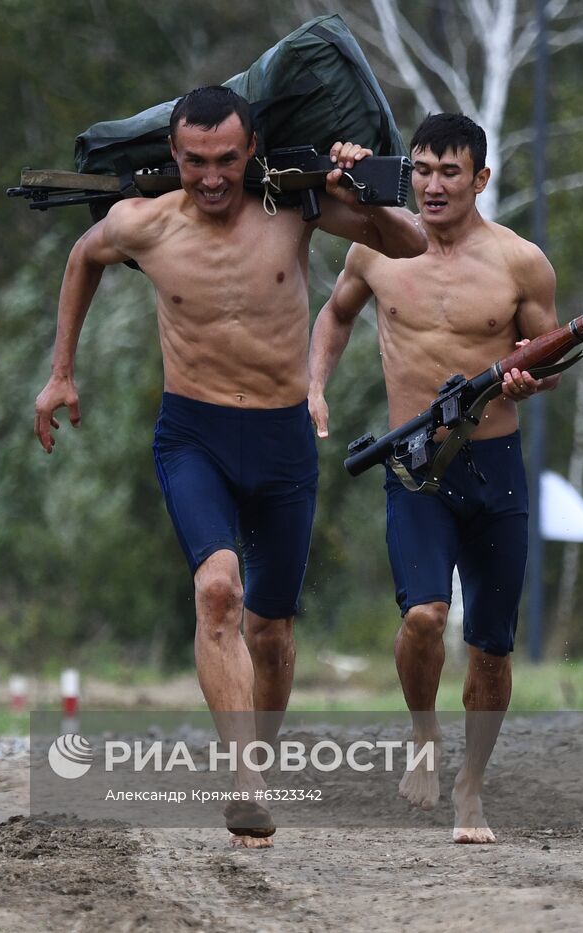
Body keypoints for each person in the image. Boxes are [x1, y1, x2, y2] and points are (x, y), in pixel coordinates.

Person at [32, 85, 427, 847]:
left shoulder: (294, 209)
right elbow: (83, 259)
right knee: (217, 591)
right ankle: (244, 780)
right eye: (194, 161)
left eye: (225, 160)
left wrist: (361, 197)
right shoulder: (143, 225)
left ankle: (259, 768)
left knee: (272, 632)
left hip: (281, 441)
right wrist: (61, 372)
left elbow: (411, 245)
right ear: (172, 157)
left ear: (250, 152)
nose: (211, 178)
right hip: (195, 435)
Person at [308, 113, 559, 843]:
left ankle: (471, 789)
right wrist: (314, 384)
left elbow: (547, 358)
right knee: (423, 616)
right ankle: (425, 732)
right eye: (422, 170)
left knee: (491, 646)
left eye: (451, 172)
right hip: (416, 467)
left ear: (480, 178)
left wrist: (527, 381)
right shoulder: (375, 252)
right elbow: (334, 317)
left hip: (496, 470)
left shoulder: (521, 263)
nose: (434, 185)